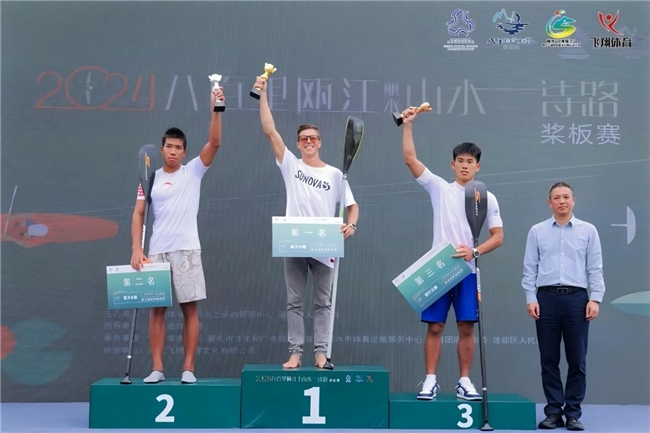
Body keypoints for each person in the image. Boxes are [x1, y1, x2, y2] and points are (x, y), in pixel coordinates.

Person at [253, 76, 359, 369]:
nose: (309, 141)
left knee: (323, 303)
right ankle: (295, 354)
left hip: (325, 244)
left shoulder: (335, 174)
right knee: (294, 302)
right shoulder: (291, 165)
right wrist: (262, 94)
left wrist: (351, 226)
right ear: (298, 144)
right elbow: (270, 130)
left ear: (320, 142)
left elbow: (352, 207)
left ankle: (321, 354)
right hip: (295, 240)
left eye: (313, 138)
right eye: (304, 138)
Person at [400, 108, 503, 401]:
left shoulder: (487, 197)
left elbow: (498, 237)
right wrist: (408, 126)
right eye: (461, 161)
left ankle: (464, 382)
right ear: (453, 164)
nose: (465, 166)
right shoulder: (440, 189)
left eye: (470, 162)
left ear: (477, 167)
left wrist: (474, 251)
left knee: (465, 326)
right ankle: (430, 380)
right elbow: (410, 159)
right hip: (440, 268)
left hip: (467, 271)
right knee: (435, 326)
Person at [129, 88, 225, 384]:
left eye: (178, 147)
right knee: (157, 312)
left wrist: (216, 110)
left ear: (184, 152)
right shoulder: (149, 179)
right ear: (161, 149)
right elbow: (138, 214)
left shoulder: (193, 171)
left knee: (190, 311)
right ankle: (157, 368)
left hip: (187, 250)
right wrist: (136, 249)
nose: (173, 151)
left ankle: (188, 369)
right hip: (156, 252)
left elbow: (215, 142)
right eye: (168, 146)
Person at [522, 182, 605, 431]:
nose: (562, 201)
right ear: (549, 203)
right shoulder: (537, 231)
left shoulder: (588, 230)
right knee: (549, 359)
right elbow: (529, 268)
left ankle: (573, 413)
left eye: (566, 197)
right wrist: (530, 297)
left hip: (577, 299)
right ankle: (553, 412)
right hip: (545, 299)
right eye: (557, 198)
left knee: (577, 359)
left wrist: (595, 298)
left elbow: (595, 267)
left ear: (573, 200)